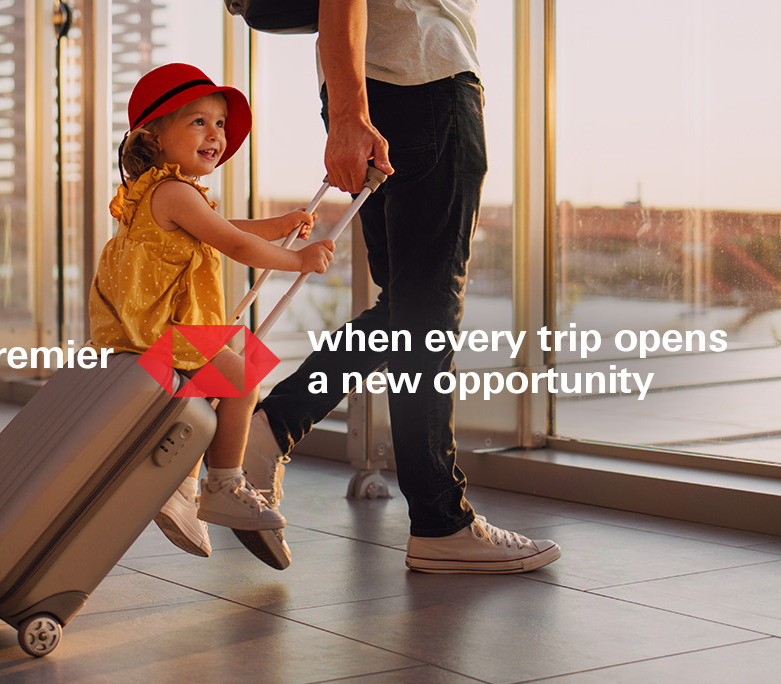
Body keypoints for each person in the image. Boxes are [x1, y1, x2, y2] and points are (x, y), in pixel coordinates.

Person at [237, 0, 563, 573]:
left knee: (409, 312)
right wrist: (349, 115)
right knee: (427, 313)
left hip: (381, 92)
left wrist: (347, 111)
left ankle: (269, 429)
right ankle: (440, 521)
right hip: (423, 81)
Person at [89, 63, 330, 558]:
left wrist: (279, 224)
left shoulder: (159, 191)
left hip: (143, 332)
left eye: (219, 123)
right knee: (242, 378)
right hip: (157, 335)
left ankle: (182, 483)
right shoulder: (174, 192)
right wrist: (298, 260)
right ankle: (223, 484)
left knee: (239, 359)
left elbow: (225, 228)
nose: (215, 134)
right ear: (153, 137)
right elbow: (233, 244)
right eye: (198, 121)